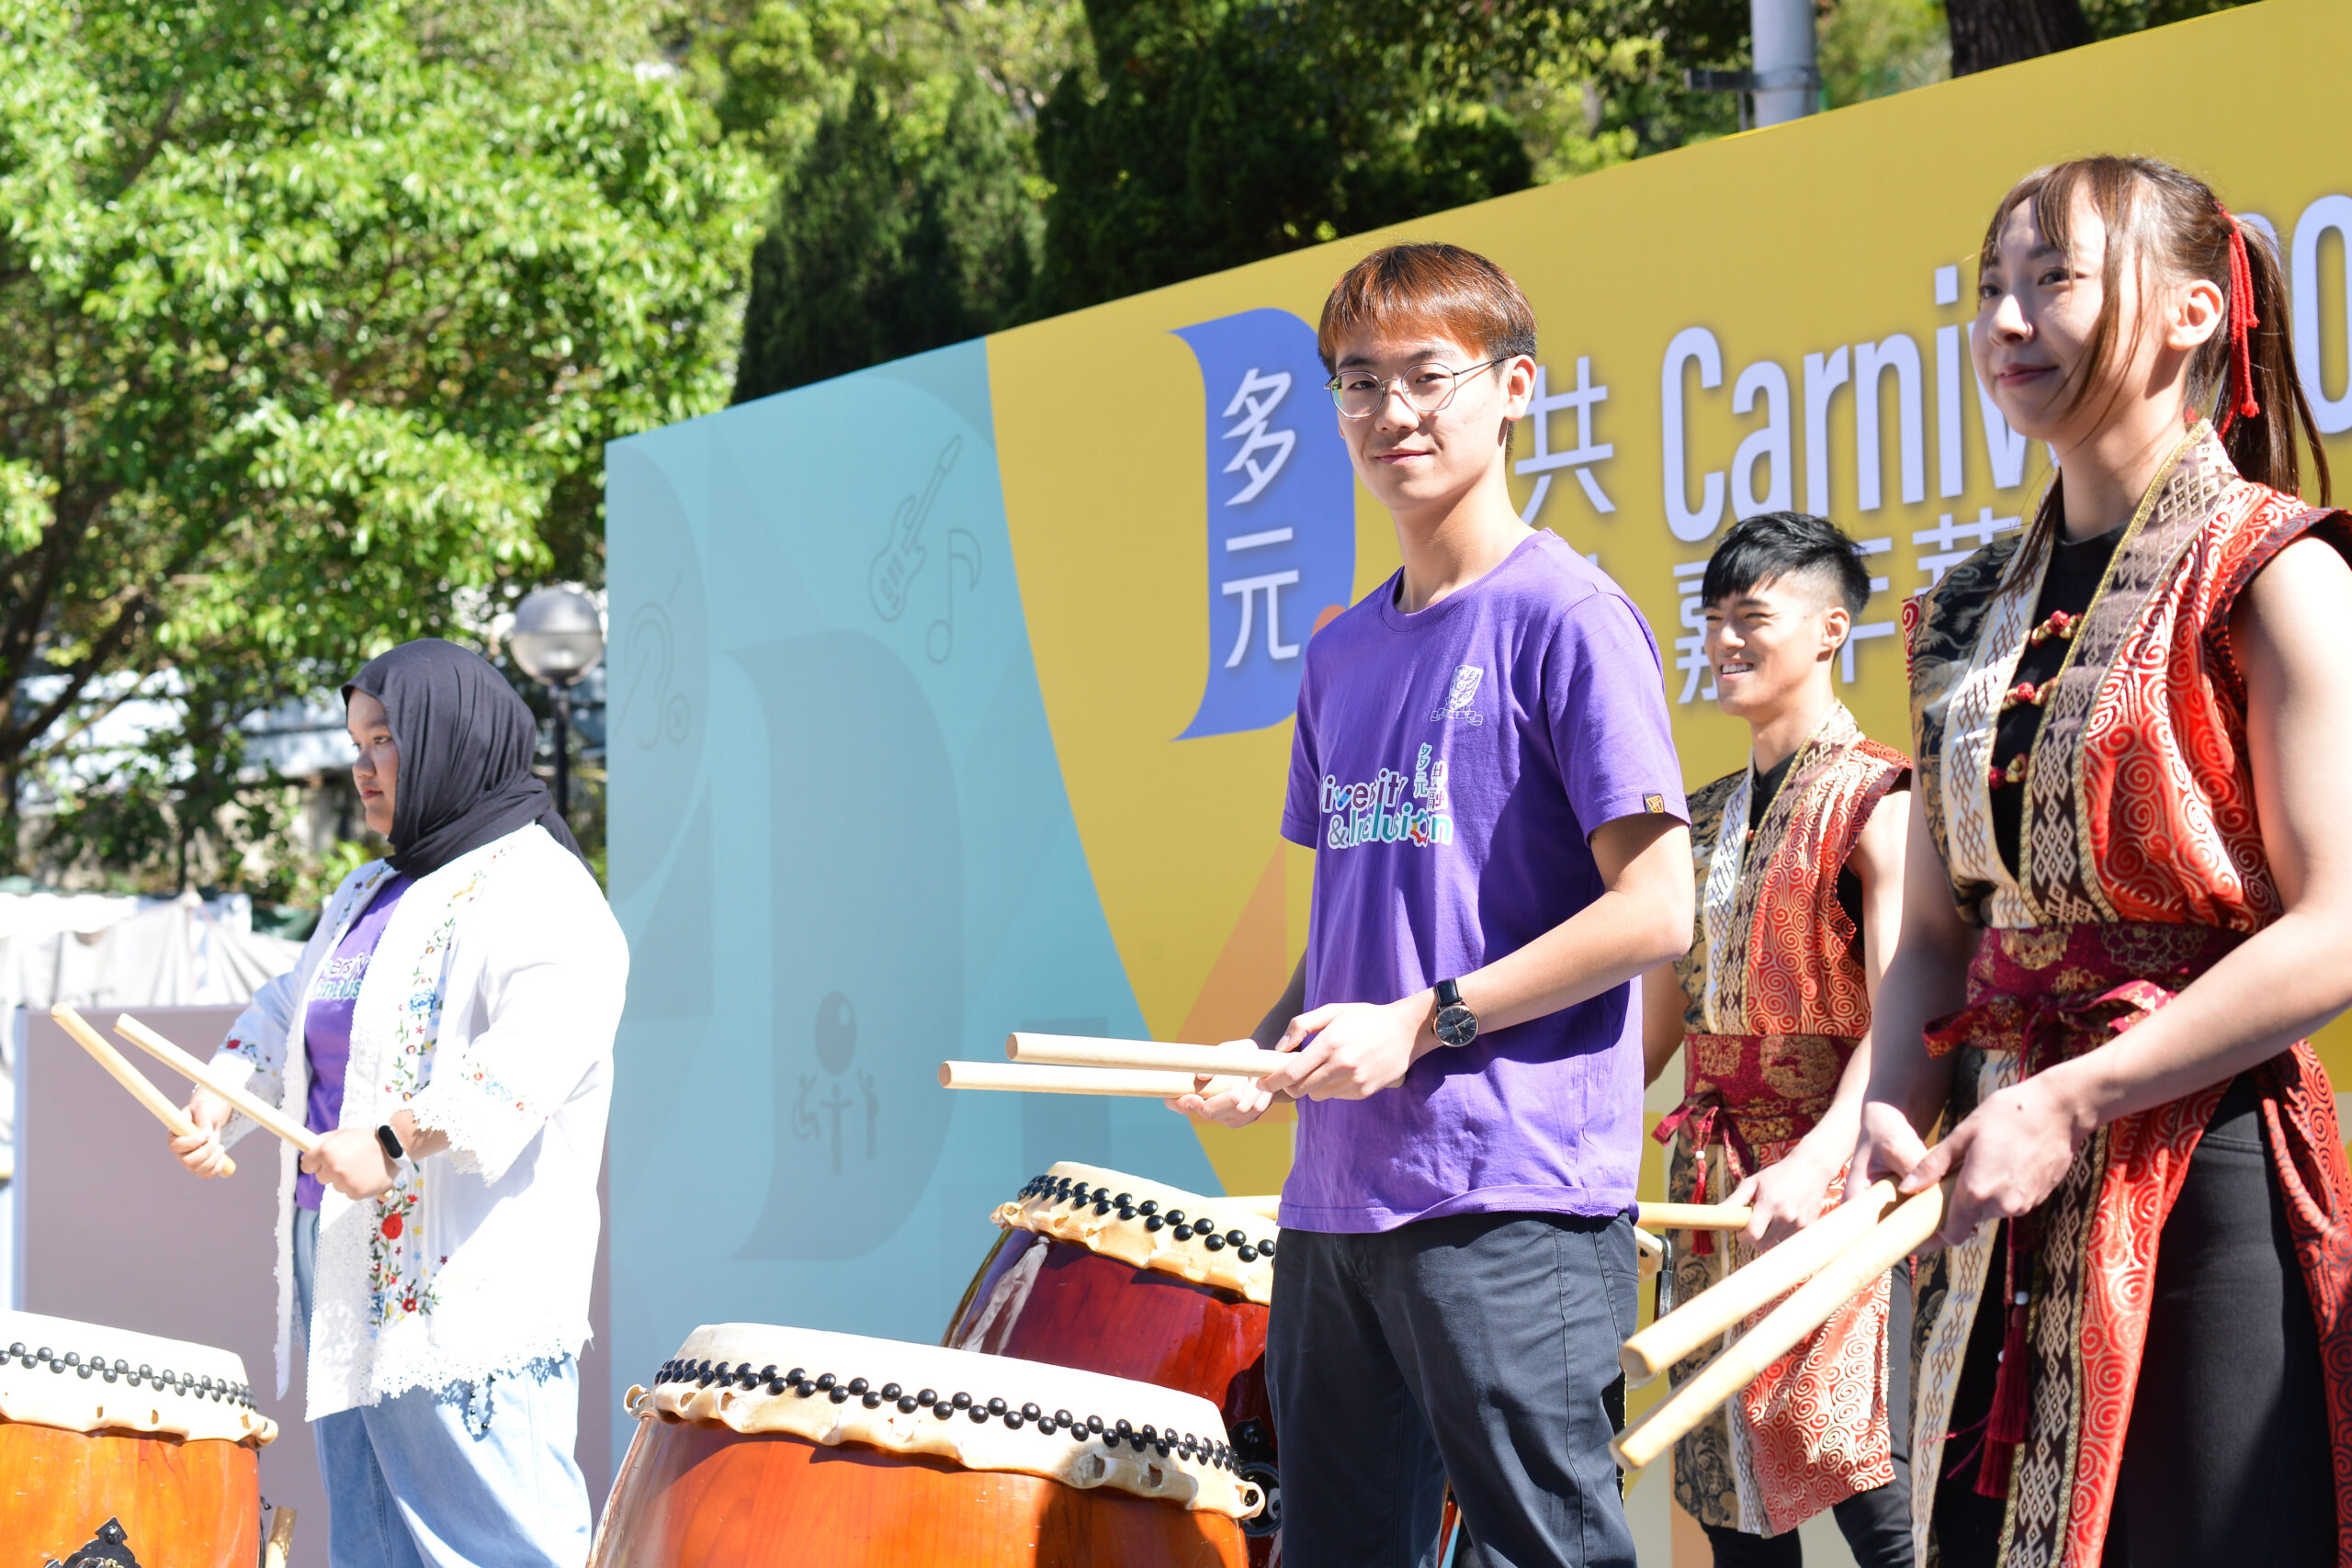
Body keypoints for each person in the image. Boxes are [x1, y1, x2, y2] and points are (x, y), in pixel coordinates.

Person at [1849, 155, 2352, 1567]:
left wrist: (2079, 1094)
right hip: (2003, 1173)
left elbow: (2337, 927)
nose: (2007, 319)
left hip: (2206, 1170)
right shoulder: (1958, 613)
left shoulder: (2274, 567)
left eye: (2053, 279)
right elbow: (1941, 939)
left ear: (2195, 312)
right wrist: (1894, 1103)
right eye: (1988, 289)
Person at [1170, 242, 1693, 1568]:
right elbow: (1357, 924)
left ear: (1515, 387)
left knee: (1544, 1550)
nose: (1392, 413)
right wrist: (1270, 1053)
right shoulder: (1340, 651)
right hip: (1338, 1203)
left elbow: (1655, 912)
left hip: (1509, 1191)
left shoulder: (1569, 615)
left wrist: (1424, 1020)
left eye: (1428, 377)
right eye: (1358, 383)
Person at [172, 638, 627, 1568]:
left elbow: (533, 1055)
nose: (361, 763)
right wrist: (221, 1089)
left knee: (500, 1546)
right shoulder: (367, 889)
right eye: (355, 740)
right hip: (343, 1275)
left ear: (452, 740)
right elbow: (288, 1005)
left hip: (467, 1290)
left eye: (385, 738)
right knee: (375, 1544)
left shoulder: (539, 886)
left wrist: (389, 1139)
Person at [1641, 511, 1913, 1567]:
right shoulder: (1699, 818)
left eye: (1750, 617)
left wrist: (1823, 1160)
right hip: (1710, 1189)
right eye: (1711, 620)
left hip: (1836, 1183)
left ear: (1830, 630)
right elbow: (1655, 1038)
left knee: (1866, 1484)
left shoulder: (1877, 798)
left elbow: (1899, 1025)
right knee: (1728, 1514)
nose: (1723, 641)